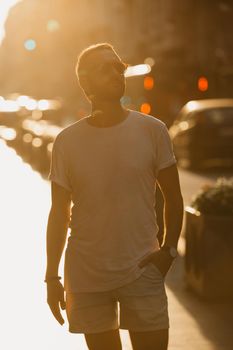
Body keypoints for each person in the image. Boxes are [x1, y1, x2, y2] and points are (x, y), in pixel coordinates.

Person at [45, 43, 183, 350]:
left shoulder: (153, 130)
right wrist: (51, 278)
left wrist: (169, 251)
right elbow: (58, 212)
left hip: (142, 267)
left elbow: (174, 197)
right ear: (86, 82)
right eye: (105, 68)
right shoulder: (66, 142)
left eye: (118, 67)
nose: (116, 73)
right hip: (86, 274)